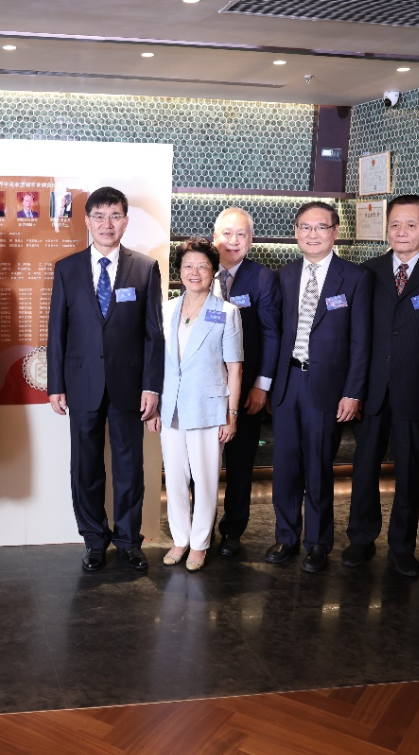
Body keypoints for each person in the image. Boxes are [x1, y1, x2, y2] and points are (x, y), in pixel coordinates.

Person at [343, 195, 419, 578]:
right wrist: (354, 389)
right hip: (373, 390)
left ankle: (402, 547)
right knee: (364, 468)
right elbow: (357, 337)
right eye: (395, 224)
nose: (401, 232)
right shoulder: (369, 271)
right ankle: (361, 538)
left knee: (410, 473)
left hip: (417, 391)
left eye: (411, 225)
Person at [46, 186, 164, 573]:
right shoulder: (67, 268)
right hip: (81, 383)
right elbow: (57, 332)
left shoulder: (144, 268)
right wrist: (55, 384)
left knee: (130, 466)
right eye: (99, 216)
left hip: (129, 385)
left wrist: (152, 385)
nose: (106, 224)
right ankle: (94, 539)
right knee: (85, 467)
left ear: (125, 221)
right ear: (87, 221)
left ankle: (129, 540)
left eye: (114, 216)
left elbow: (153, 334)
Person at [268, 202, 371, 573]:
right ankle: (286, 536)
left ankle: (317, 542)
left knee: (318, 466)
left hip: (327, 386)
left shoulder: (355, 278)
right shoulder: (284, 275)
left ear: (335, 231)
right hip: (287, 382)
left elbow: (361, 341)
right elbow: (275, 333)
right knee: (285, 466)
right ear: (296, 232)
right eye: (305, 227)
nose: (312, 234)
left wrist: (353, 392)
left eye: (321, 227)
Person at [148, 237, 241, 571]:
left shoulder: (227, 312)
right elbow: (158, 362)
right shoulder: (166, 309)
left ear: (213, 270)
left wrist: (231, 414)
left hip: (208, 409)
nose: (195, 272)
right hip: (171, 407)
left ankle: (200, 543)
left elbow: (235, 368)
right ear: (179, 271)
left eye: (202, 266)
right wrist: (155, 406)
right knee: (174, 478)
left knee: (205, 480)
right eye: (188, 266)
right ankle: (180, 539)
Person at [210, 207, 281, 557]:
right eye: (227, 233)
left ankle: (233, 530)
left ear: (251, 240)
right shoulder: (200, 269)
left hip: (246, 388)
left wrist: (261, 386)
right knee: (201, 465)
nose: (233, 241)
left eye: (241, 234)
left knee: (240, 464)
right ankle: (199, 528)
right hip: (205, 388)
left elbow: (271, 335)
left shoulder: (263, 278)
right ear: (214, 238)